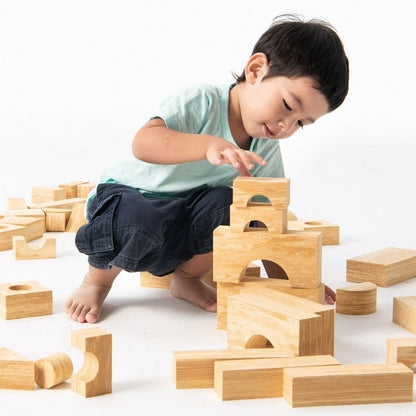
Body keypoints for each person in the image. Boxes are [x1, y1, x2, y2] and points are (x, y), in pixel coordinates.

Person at [65, 14, 349, 323]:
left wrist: (293, 283)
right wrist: (208, 145)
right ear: (256, 71)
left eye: (301, 124)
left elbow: (265, 219)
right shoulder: (202, 102)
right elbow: (144, 143)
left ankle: (186, 279)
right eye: (288, 106)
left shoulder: (264, 145)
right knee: (138, 220)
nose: (286, 126)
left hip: (183, 220)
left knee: (237, 210)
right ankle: (96, 281)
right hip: (130, 199)